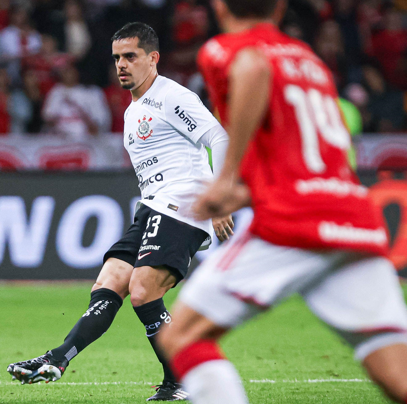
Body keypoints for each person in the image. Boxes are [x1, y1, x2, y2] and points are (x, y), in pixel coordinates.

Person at [157, 0, 407, 403]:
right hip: (351, 216)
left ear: (220, 8)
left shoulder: (225, 49)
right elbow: (305, 160)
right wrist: (244, 191)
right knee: (396, 373)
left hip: (293, 223)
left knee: (182, 337)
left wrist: (226, 180)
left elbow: (252, 67)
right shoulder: (309, 61)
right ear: (278, 10)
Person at [7, 22, 233, 401]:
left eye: (130, 56)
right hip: (151, 208)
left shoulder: (171, 96)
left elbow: (217, 137)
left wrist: (220, 199)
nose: (121, 65)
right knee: (109, 282)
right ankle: (57, 359)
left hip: (183, 205)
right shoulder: (133, 111)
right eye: (116, 59)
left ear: (153, 58)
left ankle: (183, 378)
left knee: (142, 290)